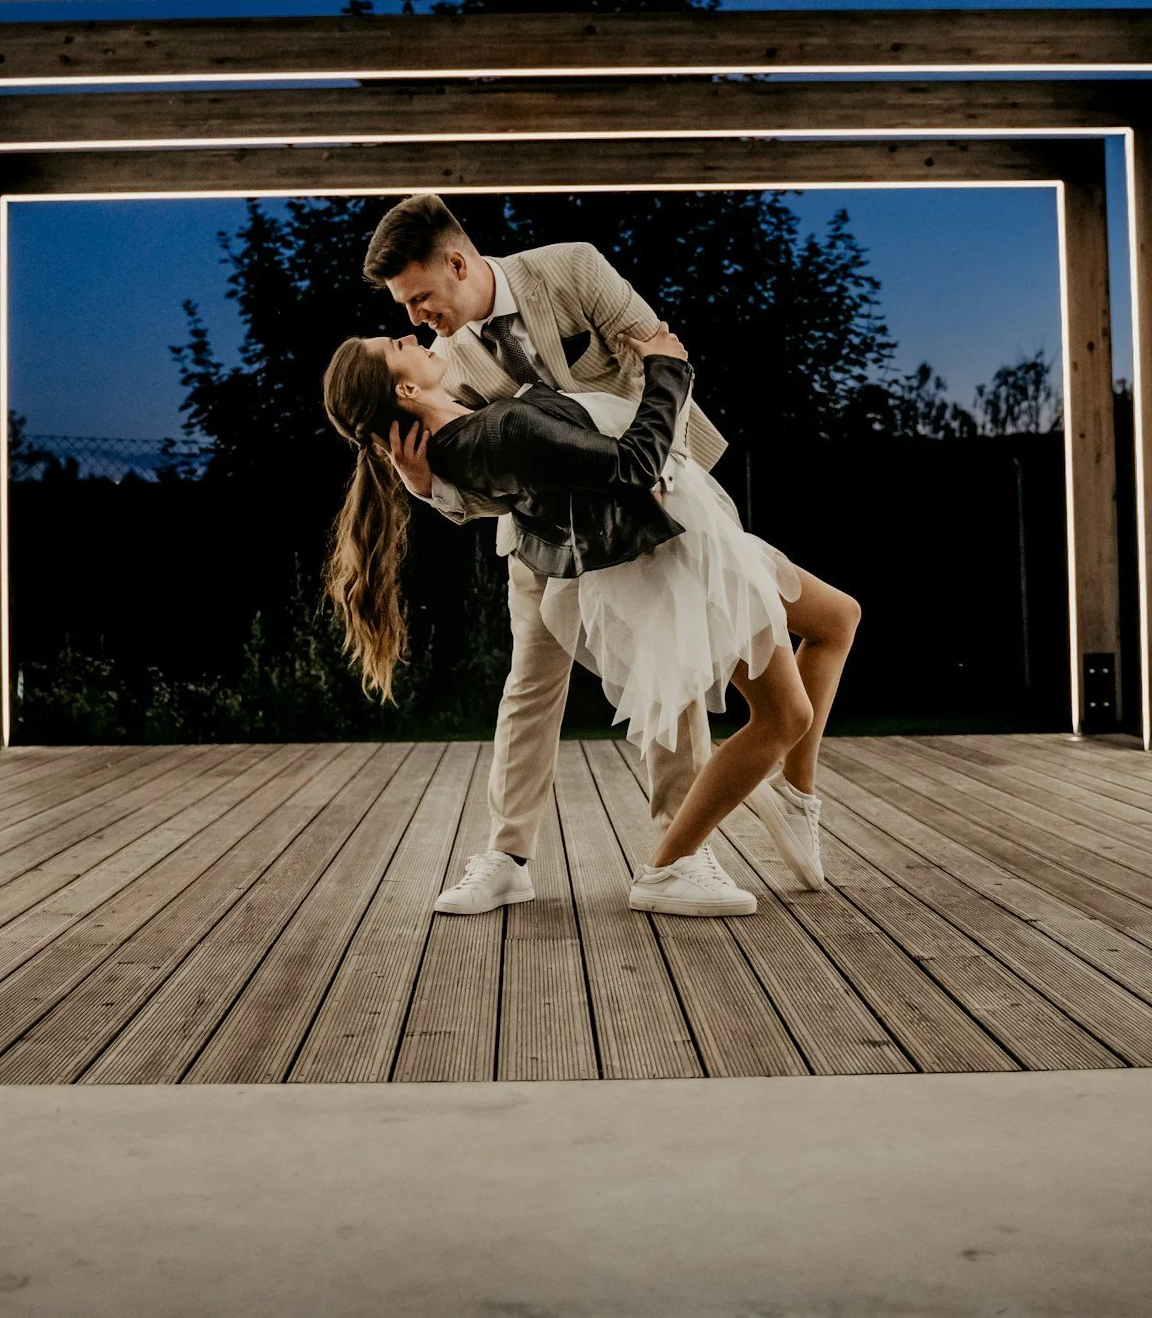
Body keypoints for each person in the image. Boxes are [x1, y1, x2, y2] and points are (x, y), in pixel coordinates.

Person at [356, 195, 844, 913]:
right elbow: (501, 475)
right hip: (543, 538)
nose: (415, 317)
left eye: (418, 297)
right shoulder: (446, 362)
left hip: (652, 502)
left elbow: (661, 358)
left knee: (677, 671)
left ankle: (681, 848)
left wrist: (657, 475)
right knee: (530, 684)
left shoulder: (573, 271)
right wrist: (430, 490)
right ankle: (505, 858)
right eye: (404, 307)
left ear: (457, 264)